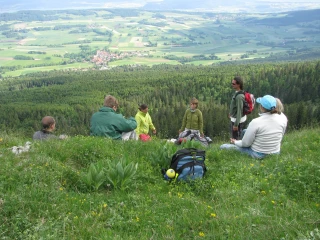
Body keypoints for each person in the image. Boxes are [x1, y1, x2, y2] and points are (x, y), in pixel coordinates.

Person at [220, 95, 288, 159]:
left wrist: (235, 142)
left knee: (223, 147)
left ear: (262, 107)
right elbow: (281, 134)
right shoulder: (283, 118)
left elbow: (245, 144)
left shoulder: (256, 122)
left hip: (258, 154)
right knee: (244, 131)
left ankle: (239, 148)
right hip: (275, 152)